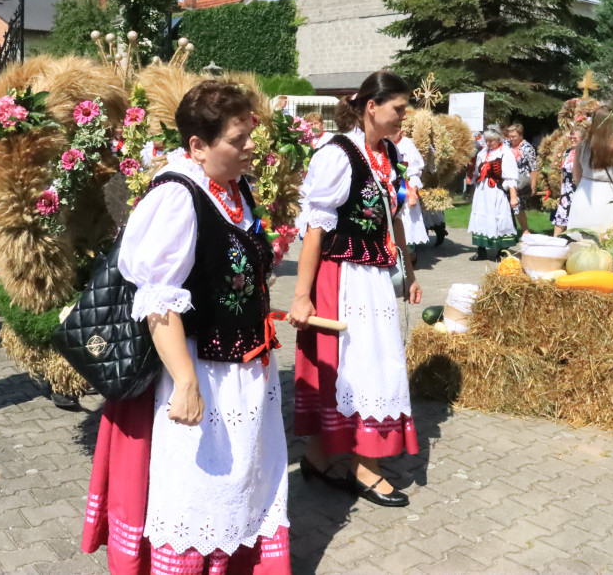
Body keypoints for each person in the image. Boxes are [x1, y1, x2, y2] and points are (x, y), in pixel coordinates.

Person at [82, 80, 290, 573]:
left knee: (239, 490)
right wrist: (187, 384)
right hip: (203, 371)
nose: (248, 149)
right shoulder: (178, 196)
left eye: (248, 137)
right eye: (236, 141)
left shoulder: (232, 188)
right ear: (197, 145)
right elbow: (159, 302)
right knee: (199, 492)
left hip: (243, 369)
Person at [290, 71, 422, 508]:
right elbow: (315, 228)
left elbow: (395, 216)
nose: (404, 116)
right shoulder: (338, 155)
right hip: (343, 276)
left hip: (376, 277)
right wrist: (301, 294)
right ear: (372, 106)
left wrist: (411, 267)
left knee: (373, 363)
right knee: (361, 367)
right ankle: (367, 466)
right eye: (398, 108)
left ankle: (319, 456)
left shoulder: (390, 153)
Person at [567, 105, 613, 234]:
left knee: (581, 244)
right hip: (609, 198)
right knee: (605, 242)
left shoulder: (582, 146)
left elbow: (576, 176)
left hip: (584, 196)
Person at [468, 125, 519, 260]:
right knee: (481, 217)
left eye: (492, 141)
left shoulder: (505, 153)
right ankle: (481, 249)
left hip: (496, 190)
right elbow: (477, 173)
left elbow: (511, 176)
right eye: (487, 140)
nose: (489, 143)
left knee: (498, 217)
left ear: (499, 139)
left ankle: (502, 250)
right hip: (482, 190)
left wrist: (513, 197)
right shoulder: (482, 153)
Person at [392, 128, 430, 255]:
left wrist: (413, 191)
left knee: (407, 219)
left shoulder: (407, 144)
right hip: (391, 187)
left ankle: (409, 254)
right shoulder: (384, 143)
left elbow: (415, 171)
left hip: (405, 187)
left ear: (399, 131)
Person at [550, 126, 584, 236]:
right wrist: (561, 191)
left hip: (579, 189)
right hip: (566, 190)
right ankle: (554, 240)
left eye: (575, 137)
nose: (572, 139)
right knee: (561, 216)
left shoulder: (585, 153)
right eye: (571, 137)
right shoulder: (567, 152)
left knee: (578, 217)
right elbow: (562, 172)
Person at [505, 123, 538, 236]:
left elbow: (533, 167)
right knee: (505, 205)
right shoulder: (506, 145)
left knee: (517, 205)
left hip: (521, 180)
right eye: (509, 136)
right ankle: (509, 229)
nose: (511, 139)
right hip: (507, 179)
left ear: (521, 135)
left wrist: (533, 184)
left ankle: (525, 230)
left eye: (514, 136)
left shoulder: (527, 148)